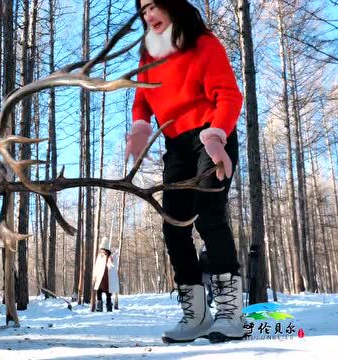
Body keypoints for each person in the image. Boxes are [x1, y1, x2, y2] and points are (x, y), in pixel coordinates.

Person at [125, 0, 244, 343]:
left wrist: (219, 135)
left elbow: (229, 96)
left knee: (209, 216)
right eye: (142, 9)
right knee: (174, 226)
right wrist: (140, 127)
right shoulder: (150, 53)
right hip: (176, 145)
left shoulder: (204, 44)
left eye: (153, 6)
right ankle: (196, 315)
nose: (148, 15)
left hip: (211, 137)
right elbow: (143, 99)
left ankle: (230, 313)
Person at [92, 237, 119, 312]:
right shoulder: (99, 257)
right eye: (101, 250)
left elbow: (114, 266)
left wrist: (111, 261)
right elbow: (96, 267)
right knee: (99, 291)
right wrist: (94, 276)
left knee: (108, 293)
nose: (102, 251)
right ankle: (99, 306)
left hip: (108, 277)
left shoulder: (111, 257)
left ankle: (109, 306)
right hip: (100, 277)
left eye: (103, 250)